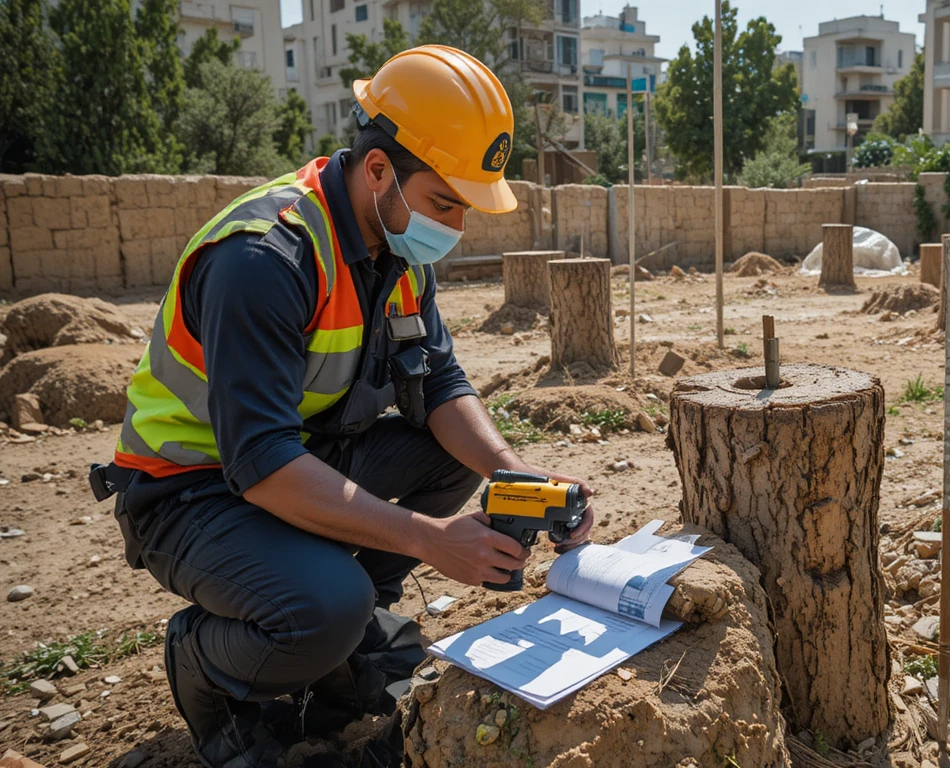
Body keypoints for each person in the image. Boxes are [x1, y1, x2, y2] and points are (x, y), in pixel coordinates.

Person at [88, 46, 594, 768]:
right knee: (327, 605)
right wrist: (428, 540)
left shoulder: (395, 248)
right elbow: (261, 464)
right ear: (379, 170)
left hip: (296, 457)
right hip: (187, 491)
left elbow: (441, 384)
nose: (456, 227)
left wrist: (517, 473)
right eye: (445, 201)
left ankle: (344, 653)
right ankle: (207, 662)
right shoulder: (266, 258)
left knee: (444, 459)